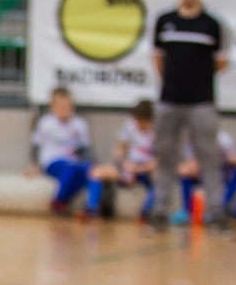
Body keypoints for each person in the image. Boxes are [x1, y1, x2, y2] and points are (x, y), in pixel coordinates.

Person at [148, 0, 232, 238]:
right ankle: (160, 212)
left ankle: (217, 215)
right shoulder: (164, 21)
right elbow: (158, 58)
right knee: (165, 157)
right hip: (169, 101)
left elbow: (220, 62)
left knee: (209, 157)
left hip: (202, 102)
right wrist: (174, 82)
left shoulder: (212, 24)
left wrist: (197, 81)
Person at [26, 87, 93, 217]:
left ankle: (89, 210)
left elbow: (85, 149)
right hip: (52, 161)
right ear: (53, 106)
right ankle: (58, 200)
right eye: (60, 106)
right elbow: (35, 146)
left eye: (66, 105)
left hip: (73, 162)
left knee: (89, 172)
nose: (64, 109)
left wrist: (92, 165)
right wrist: (33, 164)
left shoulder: (79, 124)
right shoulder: (46, 123)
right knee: (69, 169)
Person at [90, 98, 157, 222]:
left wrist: (141, 168)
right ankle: (92, 210)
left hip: (147, 168)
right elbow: (119, 149)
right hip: (129, 166)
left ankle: (145, 213)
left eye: (143, 122)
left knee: (159, 178)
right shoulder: (130, 125)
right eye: (138, 121)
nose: (140, 125)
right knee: (97, 172)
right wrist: (124, 164)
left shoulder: (158, 131)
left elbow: (161, 160)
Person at [176, 130, 236, 223]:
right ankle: (188, 212)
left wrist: (227, 159)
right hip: (204, 170)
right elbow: (191, 163)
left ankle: (220, 209)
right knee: (184, 173)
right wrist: (193, 167)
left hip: (223, 170)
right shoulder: (191, 141)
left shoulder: (223, 139)